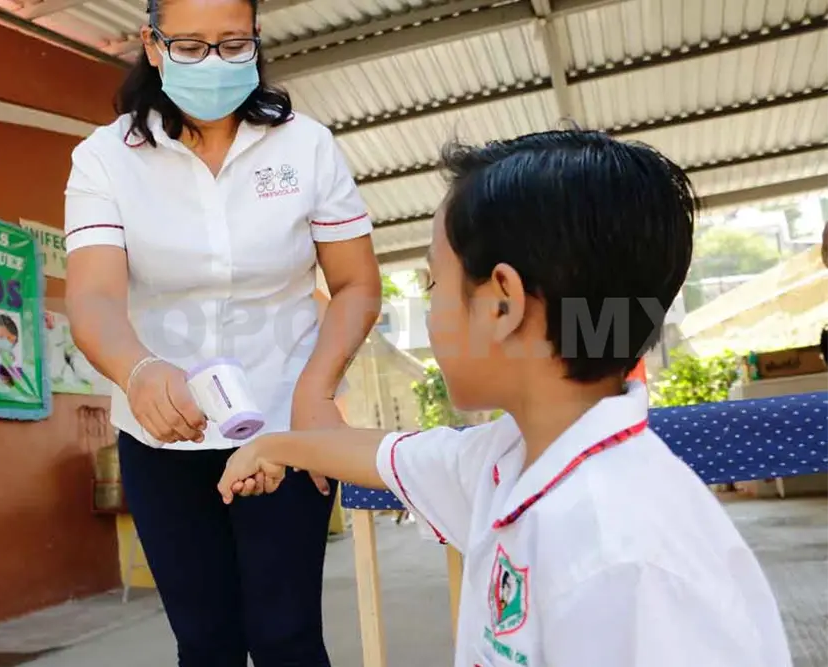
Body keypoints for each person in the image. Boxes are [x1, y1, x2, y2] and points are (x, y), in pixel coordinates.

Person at [218, 131, 793, 667]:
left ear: (502, 302)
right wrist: (276, 445)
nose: (431, 312)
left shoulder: (624, 554)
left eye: (432, 285)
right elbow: (386, 456)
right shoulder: (511, 459)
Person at [62, 0, 381, 662]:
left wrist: (316, 393)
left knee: (286, 631)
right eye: (190, 46)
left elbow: (355, 284)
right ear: (152, 45)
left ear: (256, 42)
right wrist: (139, 370)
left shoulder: (305, 145)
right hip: (160, 426)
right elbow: (93, 297)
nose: (213, 62)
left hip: (285, 420)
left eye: (233, 45)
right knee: (204, 640)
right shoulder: (104, 160)